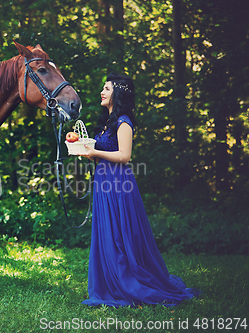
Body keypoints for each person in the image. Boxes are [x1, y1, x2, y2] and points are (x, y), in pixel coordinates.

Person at [79, 73, 200, 308]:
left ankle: (128, 281)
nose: (101, 92)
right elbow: (101, 150)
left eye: (106, 88)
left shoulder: (124, 121)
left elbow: (124, 156)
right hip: (104, 181)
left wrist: (95, 153)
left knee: (119, 234)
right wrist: (84, 148)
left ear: (118, 92)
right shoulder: (106, 123)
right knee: (107, 232)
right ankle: (109, 281)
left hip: (118, 182)